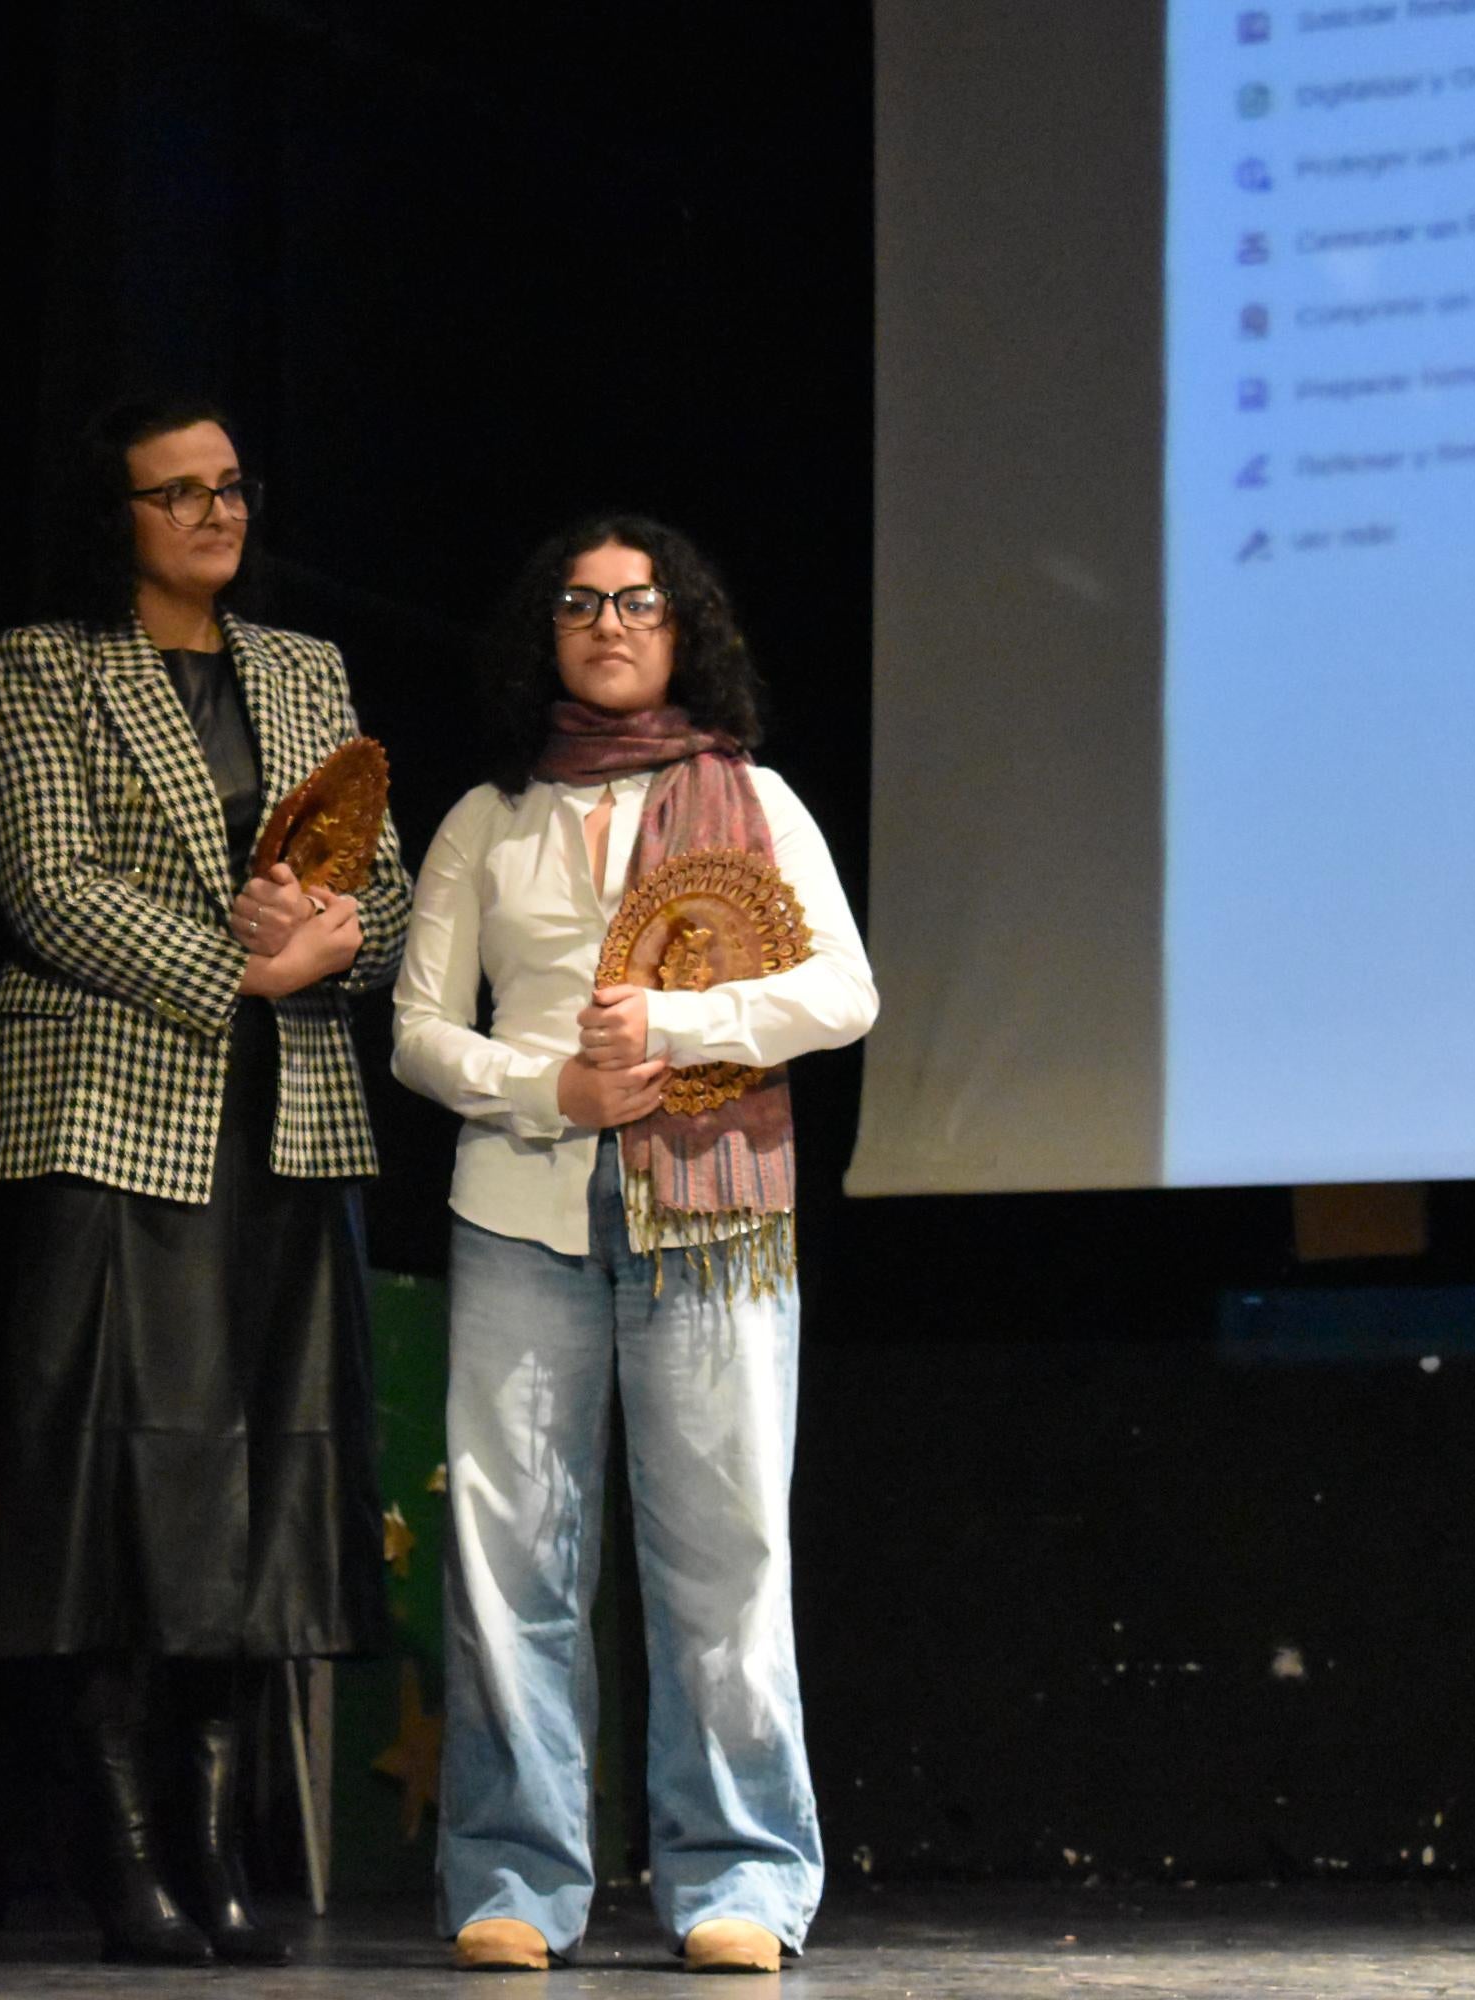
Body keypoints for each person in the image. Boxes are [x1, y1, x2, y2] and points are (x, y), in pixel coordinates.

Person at [0, 395, 412, 1965]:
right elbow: (48, 887)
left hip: (288, 1129)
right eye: (176, 494)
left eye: (230, 488)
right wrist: (246, 971)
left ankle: (215, 1859)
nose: (215, 514)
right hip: (109, 1117)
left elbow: (383, 887)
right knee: (115, 1494)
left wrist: (338, 946)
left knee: (260, 1493)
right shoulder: (42, 666)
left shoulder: (304, 670)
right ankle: (119, 1854)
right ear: (116, 518)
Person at [390, 516, 877, 1975]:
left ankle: (737, 1874)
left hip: (713, 1216)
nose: (610, 623)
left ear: (684, 632)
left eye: (640, 602)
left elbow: (840, 991)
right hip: (520, 1209)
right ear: (546, 634)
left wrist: (676, 1027)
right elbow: (419, 1034)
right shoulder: (492, 816)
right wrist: (552, 1089)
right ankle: (517, 1878)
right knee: (508, 1555)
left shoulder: (758, 802)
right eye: (581, 603)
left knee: (723, 1553)